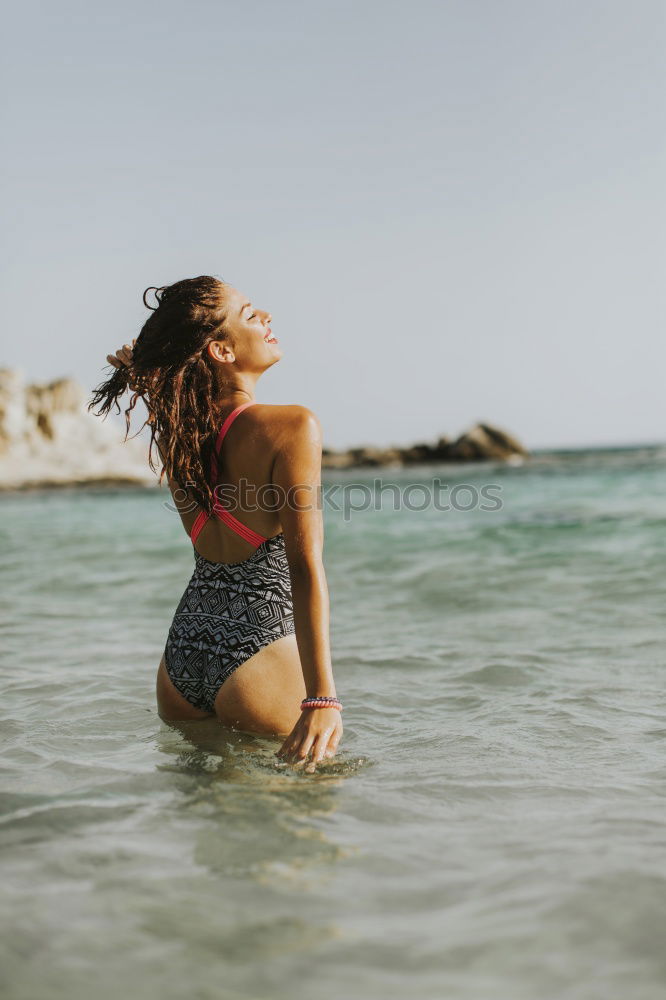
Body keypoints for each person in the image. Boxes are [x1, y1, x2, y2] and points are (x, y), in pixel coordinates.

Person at [89, 275, 342, 767]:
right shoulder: (292, 426)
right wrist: (322, 699)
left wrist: (144, 368)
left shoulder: (178, 429)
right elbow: (305, 567)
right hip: (258, 651)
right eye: (250, 314)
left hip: (183, 655)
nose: (266, 316)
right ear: (222, 351)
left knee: (212, 825)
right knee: (307, 822)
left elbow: (169, 386)